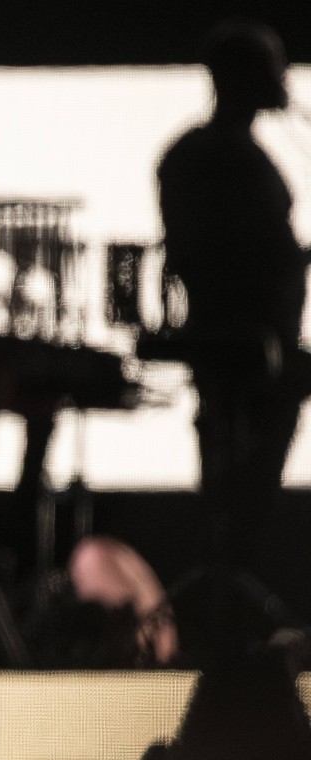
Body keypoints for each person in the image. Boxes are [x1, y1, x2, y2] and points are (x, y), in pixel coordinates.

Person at [156, 20, 309, 569]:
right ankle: (237, 577)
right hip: (247, 340)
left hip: (245, 337)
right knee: (249, 472)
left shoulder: (202, 151)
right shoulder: (223, 156)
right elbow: (237, 253)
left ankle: (231, 577)